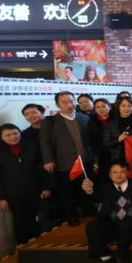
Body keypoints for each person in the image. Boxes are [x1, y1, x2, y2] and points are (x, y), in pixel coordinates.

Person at [82, 160, 132, 263]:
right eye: (115, 172)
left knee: (127, 224)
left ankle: (121, 258)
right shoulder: (105, 187)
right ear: (110, 175)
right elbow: (92, 200)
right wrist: (89, 191)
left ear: (128, 173)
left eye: (122, 172)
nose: (118, 175)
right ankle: (105, 258)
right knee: (91, 227)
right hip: (112, 224)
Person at [0, 124, 51, 245]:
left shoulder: (31, 146)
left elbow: (41, 169)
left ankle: (39, 244)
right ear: (1, 138)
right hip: (13, 194)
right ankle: (24, 247)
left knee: (36, 219)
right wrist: (0, 198)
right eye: (8, 135)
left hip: (34, 190)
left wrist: (46, 187)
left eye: (15, 133)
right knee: (20, 221)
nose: (13, 137)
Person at [40, 91, 93, 227]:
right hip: (63, 163)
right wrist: (48, 160)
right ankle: (71, 216)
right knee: (66, 192)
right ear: (58, 105)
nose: (69, 105)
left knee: (86, 189)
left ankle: (88, 214)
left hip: (84, 161)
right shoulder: (50, 121)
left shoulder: (84, 118)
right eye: (64, 102)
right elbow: (45, 142)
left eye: (71, 101)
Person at [103, 96, 132, 162]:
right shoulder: (112, 124)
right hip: (118, 157)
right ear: (118, 107)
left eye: (129, 106)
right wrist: (118, 139)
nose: (126, 108)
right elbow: (106, 143)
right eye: (123, 106)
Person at [88, 98, 112, 184]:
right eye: (97, 107)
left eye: (103, 106)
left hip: (115, 152)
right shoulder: (92, 121)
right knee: (103, 177)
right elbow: (91, 139)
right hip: (101, 154)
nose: (101, 109)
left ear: (109, 107)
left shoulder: (116, 118)